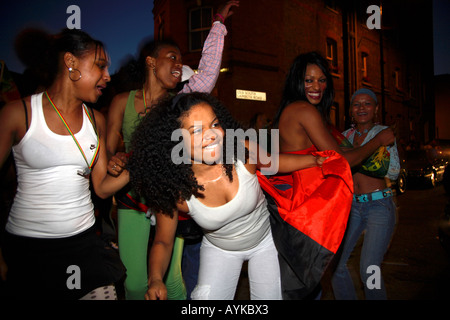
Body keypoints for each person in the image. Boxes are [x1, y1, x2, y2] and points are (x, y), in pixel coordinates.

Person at [127, 92, 333, 300]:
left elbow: (275, 163)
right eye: (197, 130)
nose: (212, 135)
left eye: (215, 124)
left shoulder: (242, 152)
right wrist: (155, 279)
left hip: (266, 243)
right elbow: (163, 241)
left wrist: (315, 161)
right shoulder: (176, 191)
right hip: (220, 250)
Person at [106, 1, 240, 300]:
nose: (179, 65)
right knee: (134, 284)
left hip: (171, 198)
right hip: (132, 196)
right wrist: (114, 159)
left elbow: (206, 71)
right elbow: (109, 145)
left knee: (173, 281)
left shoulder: (180, 102)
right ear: (151, 62)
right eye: (172, 57)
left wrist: (218, 22)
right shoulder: (121, 102)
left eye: (181, 60)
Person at [0, 28, 129, 299]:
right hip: (28, 249)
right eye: (101, 66)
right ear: (71, 62)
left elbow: (103, 188)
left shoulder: (97, 121)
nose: (107, 75)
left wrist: (138, 163)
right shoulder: (17, 114)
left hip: (84, 245)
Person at [257, 52, 396, 299]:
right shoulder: (303, 111)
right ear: (297, 81)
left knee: (307, 284)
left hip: (294, 209)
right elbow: (341, 160)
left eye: (322, 80)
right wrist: (378, 141)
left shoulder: (290, 111)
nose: (316, 87)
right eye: (309, 80)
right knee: (307, 285)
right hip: (306, 213)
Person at [331, 88, 400, 300]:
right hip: (351, 207)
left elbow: (393, 171)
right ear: (351, 110)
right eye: (356, 104)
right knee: (334, 266)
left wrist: (356, 160)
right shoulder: (344, 137)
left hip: (379, 205)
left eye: (367, 103)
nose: (361, 108)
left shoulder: (384, 133)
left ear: (376, 109)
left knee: (370, 269)